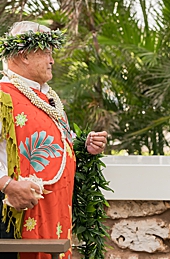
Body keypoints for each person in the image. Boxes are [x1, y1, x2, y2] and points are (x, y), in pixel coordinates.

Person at [0, 21, 109, 259]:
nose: (52, 61)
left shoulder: (47, 98)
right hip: (18, 214)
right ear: (23, 55)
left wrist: (83, 147)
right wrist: (8, 185)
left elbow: (55, 151)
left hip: (56, 213)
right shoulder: (3, 95)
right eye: (46, 53)